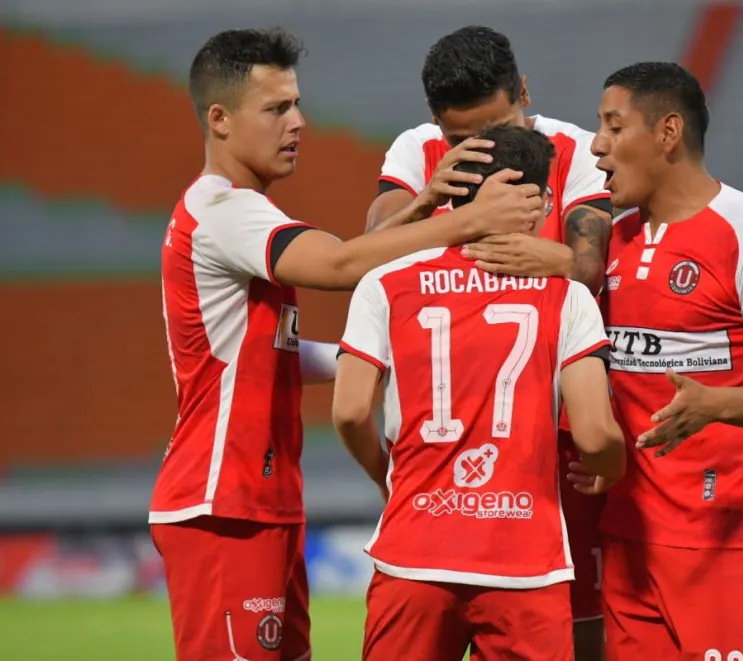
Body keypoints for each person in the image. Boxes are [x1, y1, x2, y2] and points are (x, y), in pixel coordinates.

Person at [150, 28, 544, 661]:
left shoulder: (241, 212)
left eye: (296, 104)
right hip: (222, 501)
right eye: (276, 109)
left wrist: (371, 355)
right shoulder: (222, 210)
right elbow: (336, 265)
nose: (298, 122)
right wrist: (467, 218)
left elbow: (274, 354)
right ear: (219, 119)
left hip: (264, 499)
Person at [365, 26, 614, 654]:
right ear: (433, 122)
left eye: (503, 128)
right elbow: (367, 254)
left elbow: (589, 264)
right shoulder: (416, 150)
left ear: (524, 91)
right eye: (461, 141)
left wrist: (546, 255)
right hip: (439, 451)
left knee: (579, 624)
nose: (488, 155)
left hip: (545, 449)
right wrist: (433, 201)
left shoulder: (576, 150)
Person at [565, 62, 743, 661]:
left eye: (613, 125)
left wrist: (714, 403)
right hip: (629, 534)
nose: (596, 144)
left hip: (725, 539)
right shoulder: (612, 244)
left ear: (668, 132)